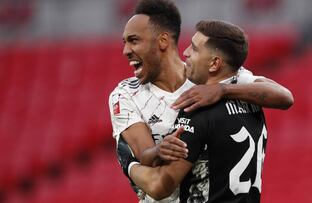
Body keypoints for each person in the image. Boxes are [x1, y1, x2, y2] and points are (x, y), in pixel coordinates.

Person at [108, 0, 293, 202]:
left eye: (134, 41)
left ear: (162, 41)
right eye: (124, 42)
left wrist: (221, 90)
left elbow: (284, 96)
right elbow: (145, 154)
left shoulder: (210, 80)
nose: (125, 50)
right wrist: (158, 151)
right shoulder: (125, 94)